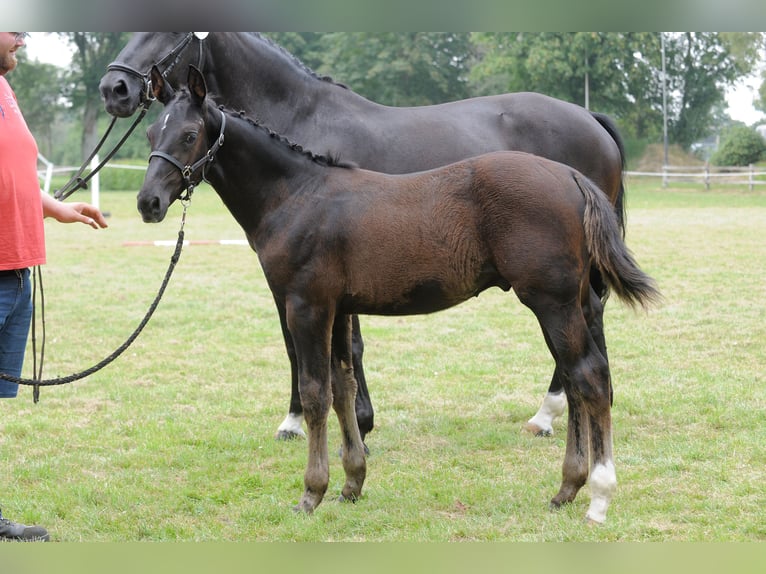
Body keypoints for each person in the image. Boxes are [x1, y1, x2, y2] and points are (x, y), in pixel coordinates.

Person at [1, 32, 108, 542]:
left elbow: (15, 172)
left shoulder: (5, 89)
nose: (23, 37)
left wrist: (57, 208)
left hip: (18, 272)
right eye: (13, 25)